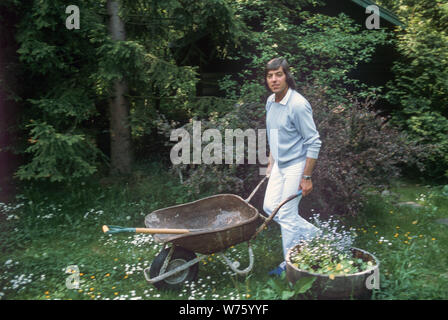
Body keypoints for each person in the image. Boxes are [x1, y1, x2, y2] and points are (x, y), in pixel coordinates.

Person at [263, 57, 322, 275]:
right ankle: (317, 236)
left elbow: (313, 141)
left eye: (278, 74)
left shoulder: (297, 105)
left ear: (287, 76)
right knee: (269, 207)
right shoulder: (271, 101)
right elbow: (274, 135)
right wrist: (271, 162)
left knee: (287, 216)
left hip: (297, 165)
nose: (274, 79)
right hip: (280, 164)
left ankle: (290, 266)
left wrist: (306, 177)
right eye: (270, 76)